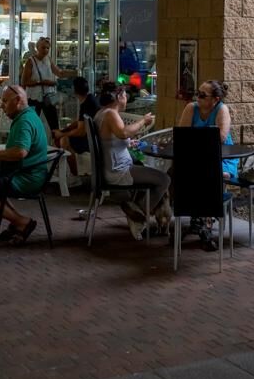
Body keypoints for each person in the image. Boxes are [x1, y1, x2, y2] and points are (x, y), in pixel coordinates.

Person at [0, 85, 48, 245]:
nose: (1, 105)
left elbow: (20, 152)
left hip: (27, 178)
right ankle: (16, 223)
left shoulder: (24, 121)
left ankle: (22, 222)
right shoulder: (28, 115)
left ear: (18, 100)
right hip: (25, 173)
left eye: (5, 101)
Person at [95, 85, 166, 240]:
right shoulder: (111, 114)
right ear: (119, 97)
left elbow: (114, 139)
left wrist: (129, 143)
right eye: (125, 95)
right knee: (164, 179)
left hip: (112, 167)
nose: (127, 99)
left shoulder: (101, 113)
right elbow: (123, 132)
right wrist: (143, 121)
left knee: (147, 169)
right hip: (119, 170)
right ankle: (137, 214)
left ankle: (136, 210)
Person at [177, 80, 236, 251]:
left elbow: (221, 138)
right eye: (198, 93)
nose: (198, 97)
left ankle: (203, 221)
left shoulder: (221, 109)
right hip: (196, 157)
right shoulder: (191, 108)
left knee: (212, 174)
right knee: (184, 173)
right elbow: (182, 136)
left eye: (202, 95)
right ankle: (204, 221)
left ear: (215, 99)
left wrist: (196, 140)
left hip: (221, 157)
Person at [21, 37, 75, 134]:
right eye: (43, 48)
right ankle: (33, 141)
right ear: (37, 47)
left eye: (47, 48)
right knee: (32, 125)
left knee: (54, 124)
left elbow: (59, 73)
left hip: (48, 97)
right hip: (34, 97)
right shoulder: (31, 61)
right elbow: (24, 81)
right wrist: (42, 82)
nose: (45, 50)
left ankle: (56, 140)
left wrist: (75, 72)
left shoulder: (48, 60)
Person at [55, 77, 98, 182]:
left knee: (64, 141)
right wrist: (63, 130)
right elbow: (79, 122)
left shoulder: (87, 104)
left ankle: (74, 175)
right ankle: (64, 170)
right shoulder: (88, 99)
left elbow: (81, 132)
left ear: (74, 90)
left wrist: (62, 134)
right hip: (91, 136)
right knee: (60, 138)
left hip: (93, 140)